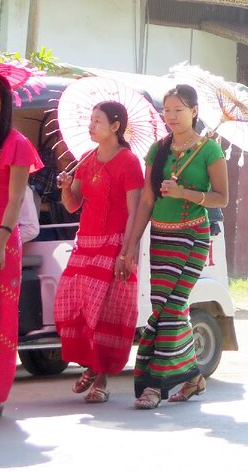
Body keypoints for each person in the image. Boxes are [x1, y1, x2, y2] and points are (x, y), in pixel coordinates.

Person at [129, 84, 228, 408]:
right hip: (160, 234)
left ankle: (154, 385)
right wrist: (130, 247)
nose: (171, 116)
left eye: (178, 110)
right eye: (167, 110)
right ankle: (193, 377)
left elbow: (221, 198)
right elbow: (146, 199)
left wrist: (184, 192)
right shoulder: (158, 151)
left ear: (194, 111)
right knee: (165, 306)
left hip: (193, 236)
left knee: (169, 308)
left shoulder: (210, 150)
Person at [54, 102, 144, 405]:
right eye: (90, 120)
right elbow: (72, 205)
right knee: (71, 304)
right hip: (86, 244)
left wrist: (127, 252)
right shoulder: (86, 159)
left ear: (115, 127)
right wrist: (66, 186)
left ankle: (101, 377)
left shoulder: (129, 162)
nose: (91, 126)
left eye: (97, 121)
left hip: (114, 244)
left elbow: (135, 212)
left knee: (102, 313)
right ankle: (91, 366)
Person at [0, 73, 44, 419]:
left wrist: (0, 240)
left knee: (1, 318)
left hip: (2, 235)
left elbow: (15, 199)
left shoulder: (16, 143)